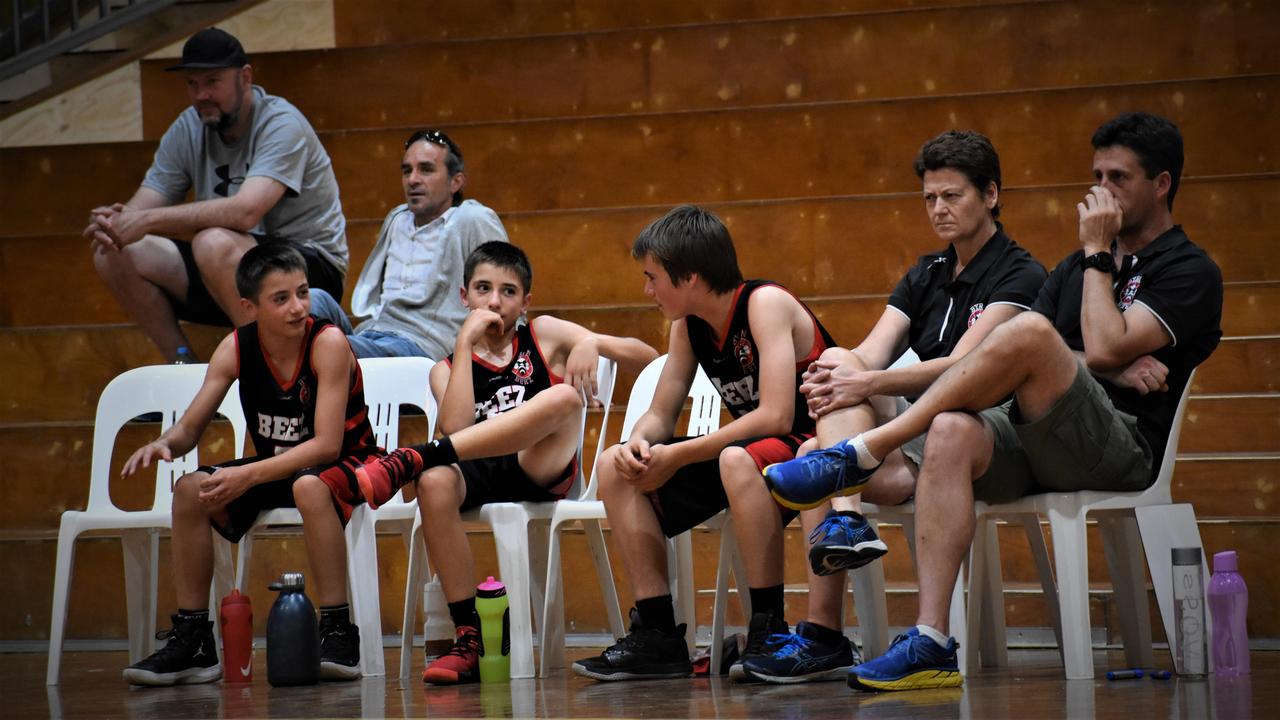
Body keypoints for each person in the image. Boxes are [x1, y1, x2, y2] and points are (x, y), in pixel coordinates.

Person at [765, 112, 1223, 691]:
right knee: (954, 426)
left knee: (1025, 336)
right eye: (1096, 176)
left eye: (1119, 179)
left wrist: (1097, 258)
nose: (1101, 192)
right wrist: (1099, 359)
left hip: (1119, 445)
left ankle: (863, 453)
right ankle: (930, 641)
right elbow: (1038, 355)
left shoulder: (1188, 269)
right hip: (1034, 433)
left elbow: (1086, 343)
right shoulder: (1067, 270)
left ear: (1161, 184)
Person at [350, 242, 659, 684]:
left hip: (538, 466)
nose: (494, 301)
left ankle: (413, 457)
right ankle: (469, 637)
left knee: (565, 398)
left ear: (526, 302)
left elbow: (649, 359)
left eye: (508, 291)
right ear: (464, 297)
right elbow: (456, 432)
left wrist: (592, 339)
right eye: (483, 289)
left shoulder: (544, 334)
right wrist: (463, 343)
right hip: (476, 471)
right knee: (434, 481)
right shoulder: (444, 367)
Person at [569, 205, 852, 684]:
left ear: (691, 278)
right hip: (748, 461)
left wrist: (678, 454)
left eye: (653, 277)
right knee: (617, 467)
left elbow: (777, 415)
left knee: (736, 458)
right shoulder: (688, 323)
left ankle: (767, 628)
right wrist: (639, 443)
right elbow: (661, 412)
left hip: (811, 446)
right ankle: (657, 633)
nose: (647, 290)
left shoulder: (765, 303)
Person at [119, 244, 383, 686]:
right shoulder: (236, 347)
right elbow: (191, 428)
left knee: (309, 487)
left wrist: (247, 474)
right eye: (281, 298)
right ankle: (195, 641)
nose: (298, 307)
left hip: (347, 462)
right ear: (249, 306)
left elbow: (325, 445)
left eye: (302, 292)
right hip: (280, 467)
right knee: (190, 490)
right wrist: (165, 442)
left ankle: (338, 629)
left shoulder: (328, 343)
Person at [88, 27, 348, 363]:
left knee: (212, 242)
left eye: (212, 82)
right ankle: (181, 363)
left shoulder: (281, 122)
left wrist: (146, 220)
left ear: (245, 78)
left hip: (308, 274)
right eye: (192, 84)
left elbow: (246, 213)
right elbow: (141, 208)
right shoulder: (187, 127)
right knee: (113, 251)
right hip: (227, 274)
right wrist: (114, 224)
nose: (201, 95)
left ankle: (269, 368)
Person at [309, 129, 509, 359]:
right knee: (314, 300)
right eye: (407, 171)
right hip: (371, 332)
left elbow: (506, 286)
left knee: (326, 347)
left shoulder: (471, 218)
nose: (413, 179)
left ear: (456, 182)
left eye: (426, 169)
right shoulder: (397, 218)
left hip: (420, 343)